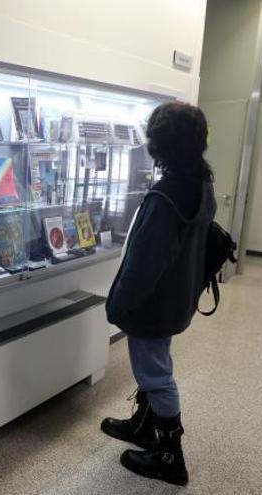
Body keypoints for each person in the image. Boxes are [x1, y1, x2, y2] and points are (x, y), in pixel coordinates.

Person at [101, 102, 217, 486]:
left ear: (159, 144)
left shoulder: (166, 197)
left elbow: (143, 266)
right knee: (154, 366)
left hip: (154, 306)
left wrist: (117, 305)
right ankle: (143, 425)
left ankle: (170, 456)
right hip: (176, 296)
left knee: (156, 374)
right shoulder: (200, 183)